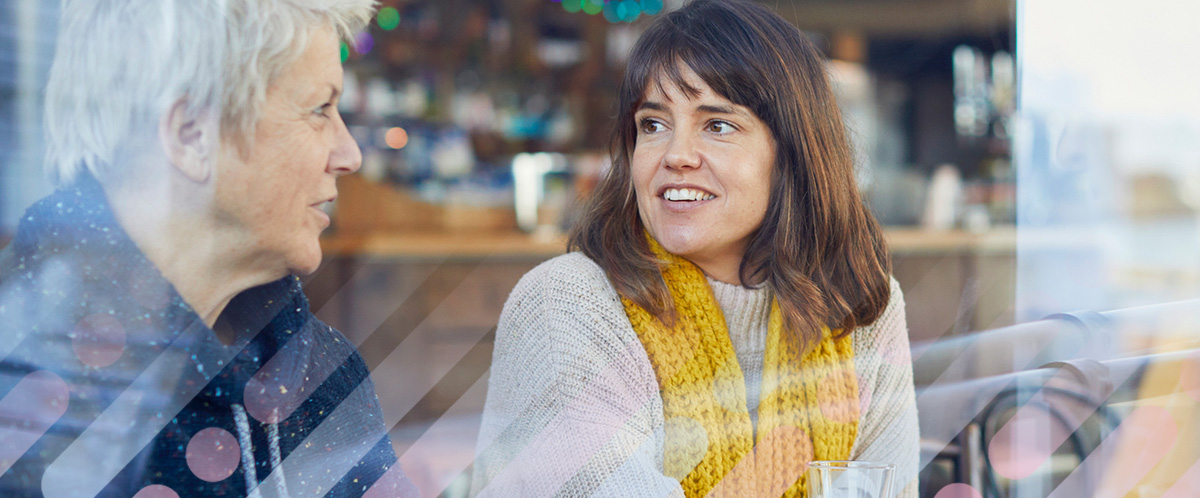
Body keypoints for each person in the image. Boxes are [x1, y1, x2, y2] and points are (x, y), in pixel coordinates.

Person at [471, 0, 919, 496]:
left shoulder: (855, 307)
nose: (676, 155)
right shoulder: (566, 305)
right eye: (653, 125)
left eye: (718, 124)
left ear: (793, 151)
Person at [0, 0, 417, 496]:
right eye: (319, 109)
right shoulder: (29, 374)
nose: (350, 154)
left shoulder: (323, 374)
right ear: (190, 134)